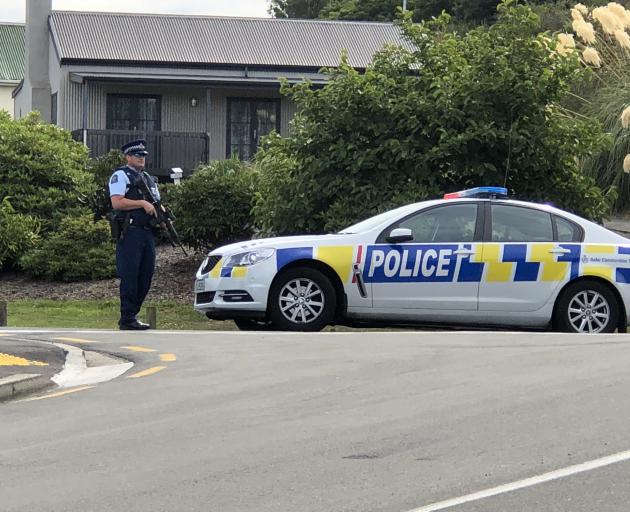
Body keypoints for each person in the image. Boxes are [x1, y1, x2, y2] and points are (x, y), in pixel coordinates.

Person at [109, 139, 161, 330]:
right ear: (128, 157)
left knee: (146, 275)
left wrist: (162, 217)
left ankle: (133, 313)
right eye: (138, 156)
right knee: (130, 275)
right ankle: (127, 317)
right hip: (130, 232)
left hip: (147, 232)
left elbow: (156, 203)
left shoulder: (148, 178)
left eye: (143, 156)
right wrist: (141, 203)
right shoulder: (120, 176)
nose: (141, 159)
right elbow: (117, 202)